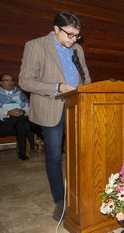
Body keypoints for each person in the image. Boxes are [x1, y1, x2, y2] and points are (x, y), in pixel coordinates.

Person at [19, 11, 91, 221]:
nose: (74, 39)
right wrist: (56, 87)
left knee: (81, 153)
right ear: (56, 29)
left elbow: (86, 77)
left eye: (77, 35)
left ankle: (81, 194)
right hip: (52, 108)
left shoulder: (77, 49)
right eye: (69, 34)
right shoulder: (36, 46)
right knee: (53, 156)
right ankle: (60, 201)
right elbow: (25, 81)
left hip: (77, 107)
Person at [0, 73, 31, 160]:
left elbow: (27, 105)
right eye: (6, 80)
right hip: (3, 123)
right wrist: (8, 113)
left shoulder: (19, 92)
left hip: (16, 125)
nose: (10, 82)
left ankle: (22, 153)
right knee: (21, 121)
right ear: (1, 82)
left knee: (21, 124)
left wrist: (23, 111)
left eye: (11, 80)